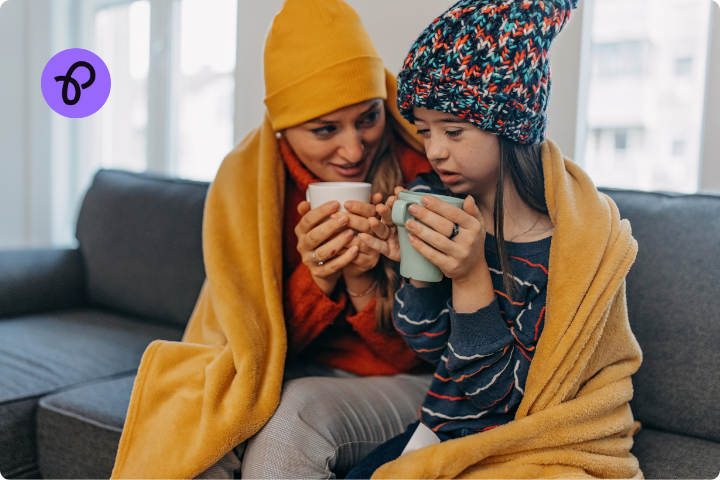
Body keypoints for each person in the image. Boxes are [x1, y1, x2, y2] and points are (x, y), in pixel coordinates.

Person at [110, 0, 436, 479]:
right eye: (325, 129)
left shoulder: (421, 173)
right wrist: (317, 279)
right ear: (283, 129)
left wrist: (362, 282)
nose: (353, 148)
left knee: (290, 424)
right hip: (294, 368)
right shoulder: (253, 188)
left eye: (368, 117)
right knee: (189, 436)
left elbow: (421, 355)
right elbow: (252, 347)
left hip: (403, 379)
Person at [348, 0, 643, 478]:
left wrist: (469, 278)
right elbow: (428, 346)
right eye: (424, 131)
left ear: (509, 127)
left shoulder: (562, 255)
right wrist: (418, 275)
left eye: (454, 130)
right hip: (437, 431)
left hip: (508, 447)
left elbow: (501, 397)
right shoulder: (438, 202)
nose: (435, 149)